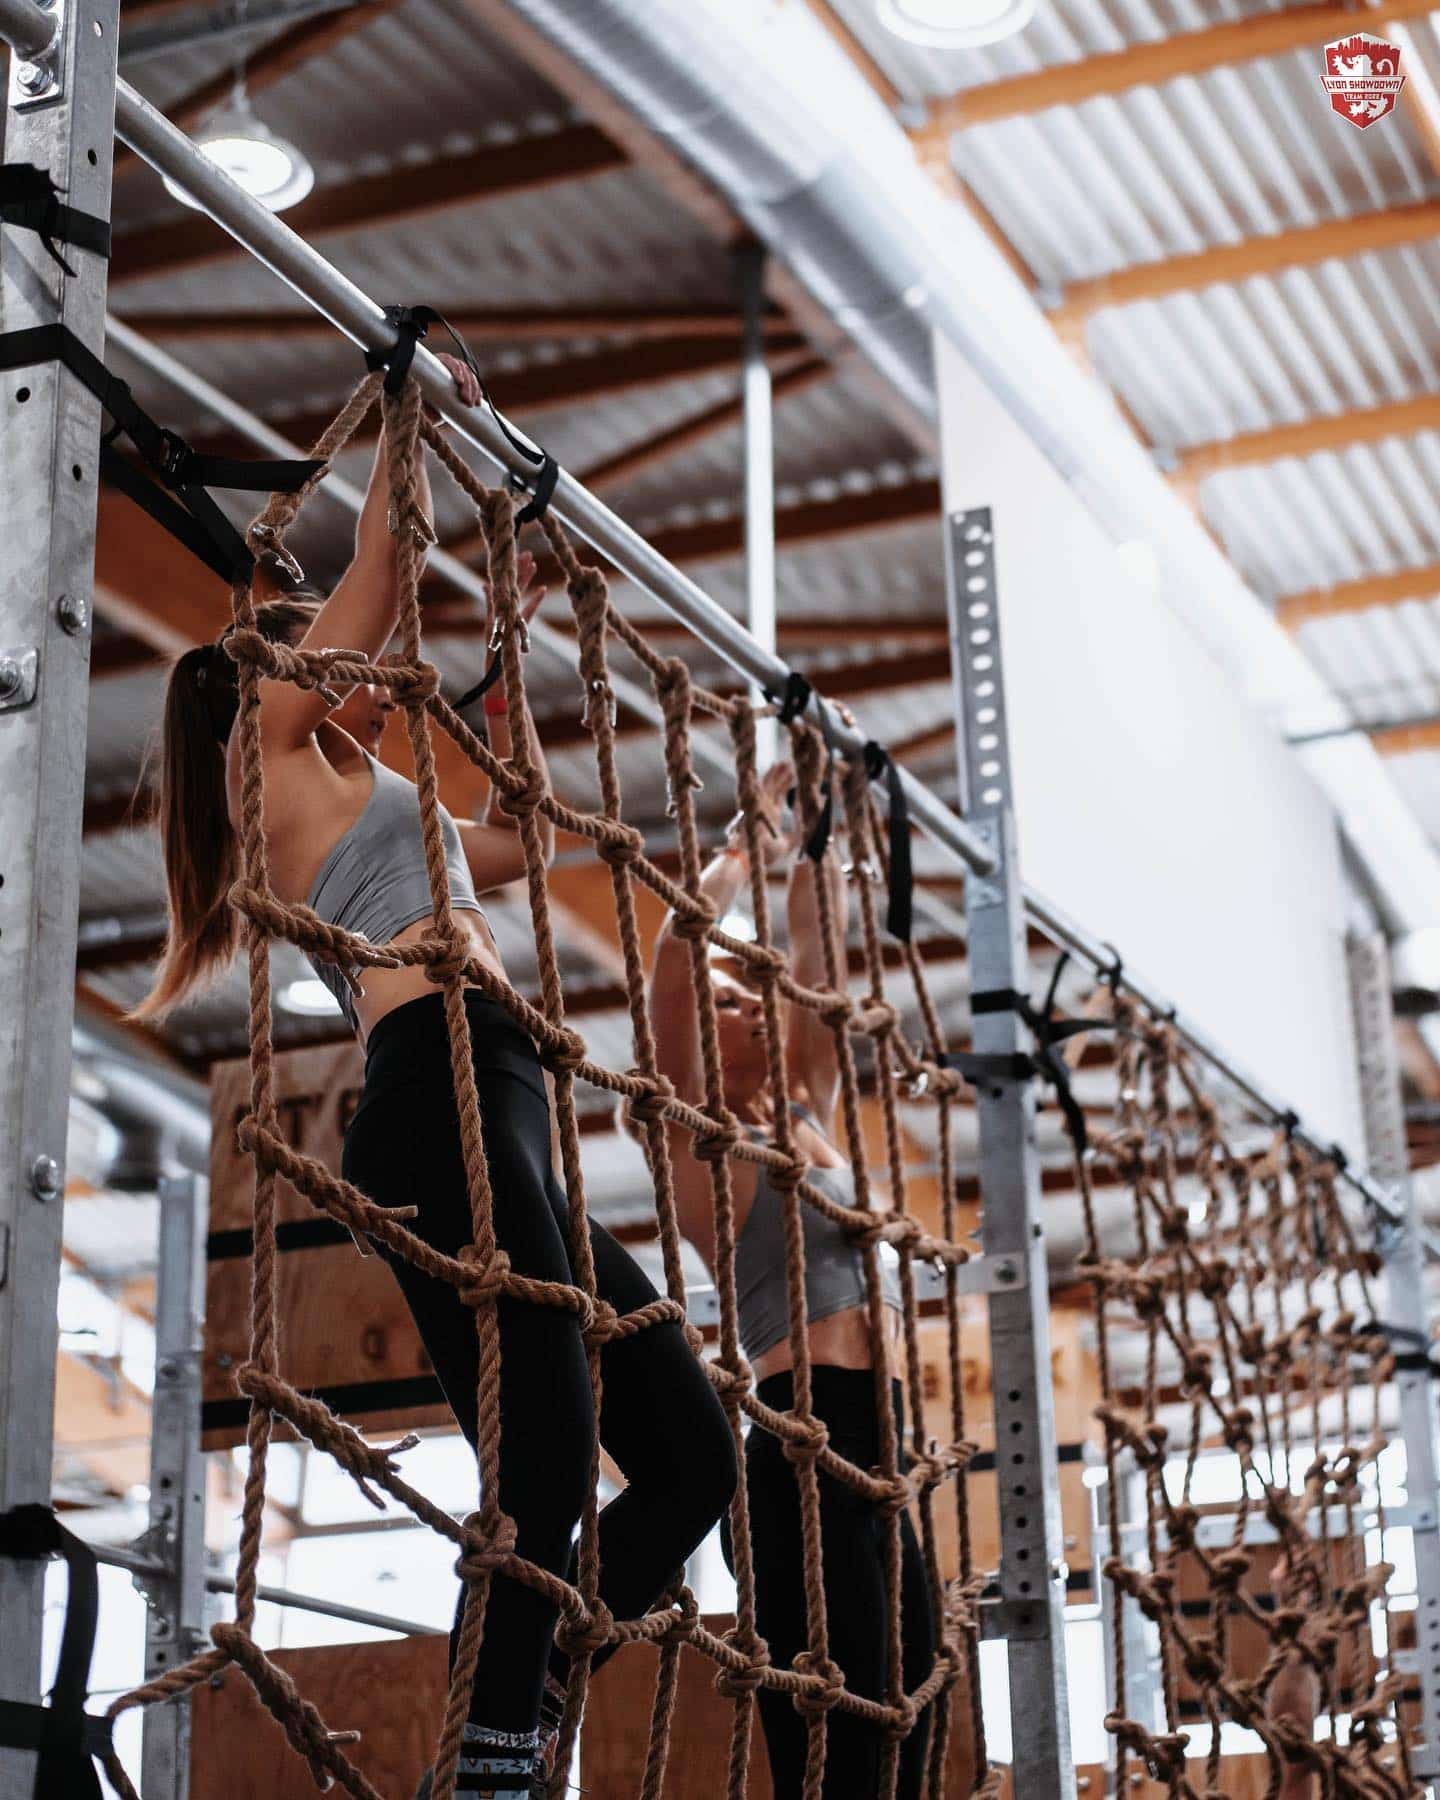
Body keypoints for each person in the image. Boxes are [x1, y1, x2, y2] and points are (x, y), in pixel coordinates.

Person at [135, 354, 736, 1797]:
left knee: (688, 1456)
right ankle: (495, 1756)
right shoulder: (272, 755)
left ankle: (521, 1698)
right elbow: (380, 591)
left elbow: (509, 840)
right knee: (544, 1454)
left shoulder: (354, 783)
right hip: (435, 1085)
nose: (329, 669)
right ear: (258, 691)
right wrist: (409, 412)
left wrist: (514, 639)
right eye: (304, 659)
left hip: (503, 1093)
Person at [647, 758, 936, 1798]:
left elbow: (820, 958)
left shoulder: (807, 1115)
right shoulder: (700, 1146)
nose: (752, 1005)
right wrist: (742, 848)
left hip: (881, 1449)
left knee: (915, 1718)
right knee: (839, 1755)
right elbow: (672, 970)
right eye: (732, 1000)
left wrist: (821, 823)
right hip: (797, 1455)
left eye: (754, 994)